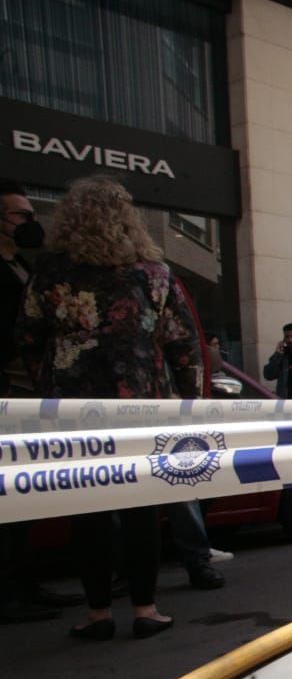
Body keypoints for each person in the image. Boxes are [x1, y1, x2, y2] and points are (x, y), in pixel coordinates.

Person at [16, 176, 202, 640]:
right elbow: (184, 344)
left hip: (72, 406)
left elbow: (27, 336)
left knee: (87, 507)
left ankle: (98, 613)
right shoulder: (153, 273)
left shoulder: (51, 270)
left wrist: (49, 381)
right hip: (138, 402)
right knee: (141, 507)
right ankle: (145, 608)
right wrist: (188, 400)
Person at [0, 179, 80, 623]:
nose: (31, 223)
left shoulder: (23, 268)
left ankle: (24, 586)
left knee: (22, 500)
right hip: (9, 397)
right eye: (21, 215)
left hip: (30, 397)